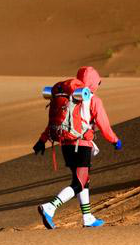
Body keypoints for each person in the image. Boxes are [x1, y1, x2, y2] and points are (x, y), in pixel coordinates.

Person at [33, 66, 121, 229]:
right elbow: (104, 125)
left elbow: (56, 120)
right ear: (94, 82)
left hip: (65, 144)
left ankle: (87, 217)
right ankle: (50, 207)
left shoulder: (69, 96)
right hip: (81, 145)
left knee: (83, 180)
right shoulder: (92, 99)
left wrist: (42, 139)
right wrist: (115, 140)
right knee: (79, 183)